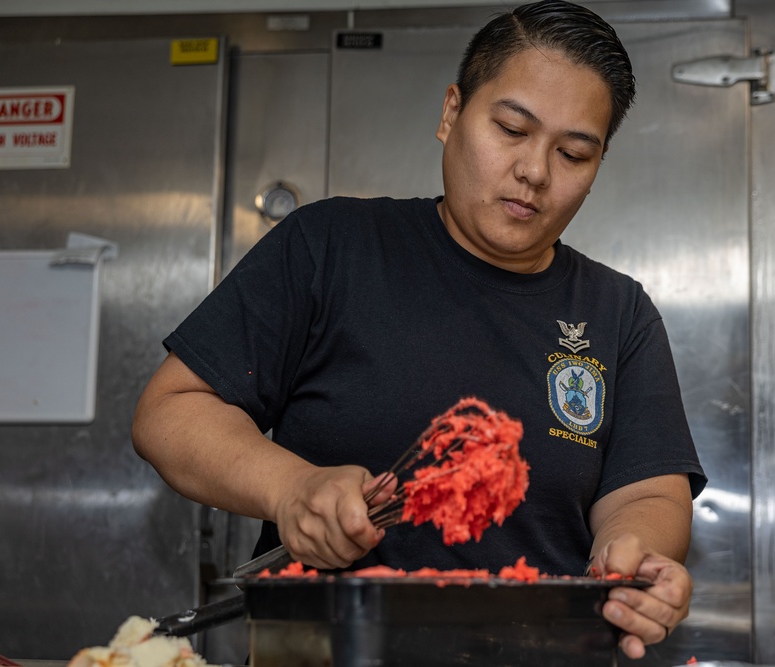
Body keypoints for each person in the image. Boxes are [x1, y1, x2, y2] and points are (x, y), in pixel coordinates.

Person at [132, 0, 707, 659]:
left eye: (574, 153)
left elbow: (648, 488)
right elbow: (169, 413)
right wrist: (292, 487)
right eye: (512, 129)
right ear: (451, 114)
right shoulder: (330, 248)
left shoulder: (617, 311)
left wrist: (633, 552)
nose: (536, 171)